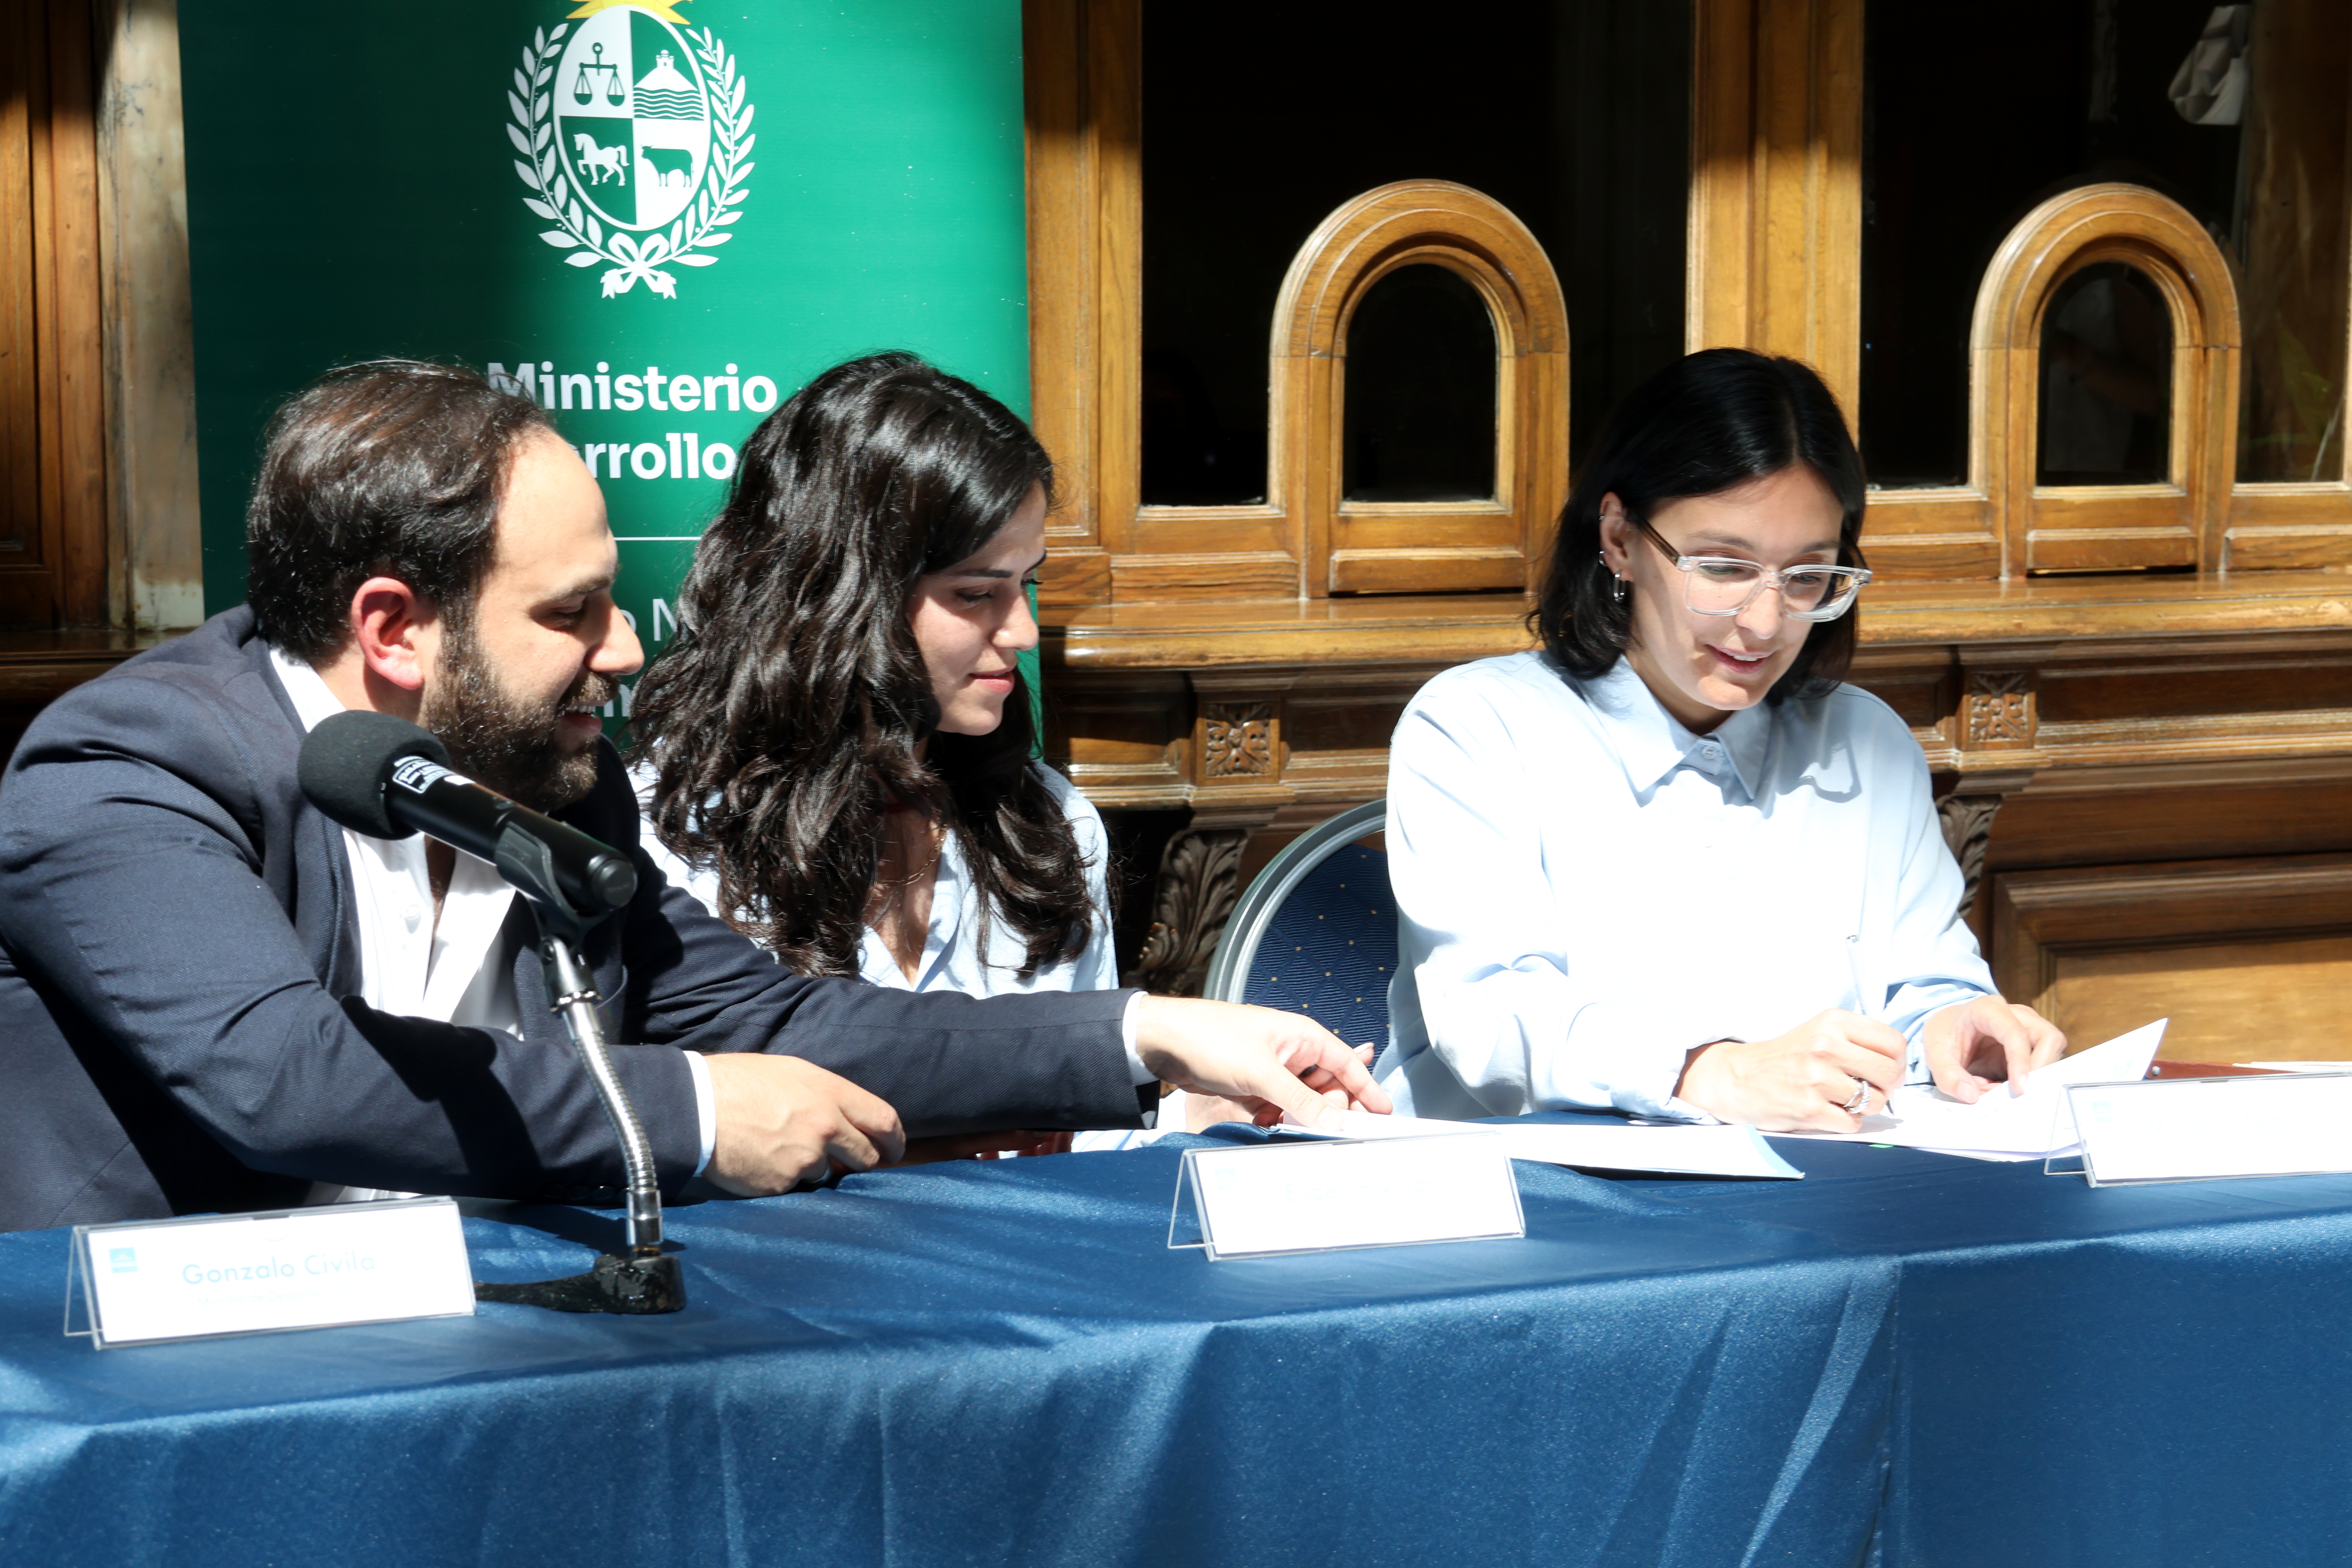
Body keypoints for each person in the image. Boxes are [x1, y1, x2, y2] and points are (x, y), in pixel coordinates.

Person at [0, 360, 1387, 1233]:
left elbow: (774, 1018)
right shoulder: (128, 770)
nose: (624, 649)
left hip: (485, 1345)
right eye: (572, 611)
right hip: (159, 1402)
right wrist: (696, 1117)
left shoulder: (551, 773)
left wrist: (1147, 1032)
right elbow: (282, 1076)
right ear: (395, 627)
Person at [1374, 348, 2065, 1131]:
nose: (1765, 623)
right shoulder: (1476, 728)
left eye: (1807, 576)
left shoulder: (1867, 744)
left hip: (1818, 1177)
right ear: (1620, 539)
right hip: (1531, 1179)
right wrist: (1705, 1072)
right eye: (1723, 568)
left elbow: (1922, 980)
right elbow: (1491, 1019)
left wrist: (1956, 1024)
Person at [631, 354, 1187, 1154]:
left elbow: (1093, 1144)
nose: (1022, 633)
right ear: (839, 593)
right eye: (976, 594)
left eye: (1027, 586)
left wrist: (1191, 1122)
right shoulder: (664, 836)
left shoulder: (1051, 826)